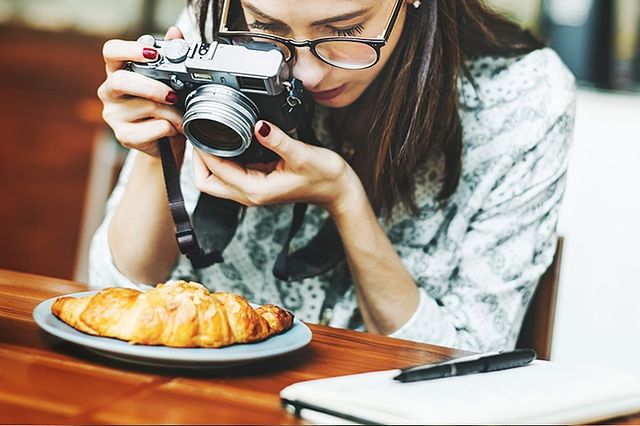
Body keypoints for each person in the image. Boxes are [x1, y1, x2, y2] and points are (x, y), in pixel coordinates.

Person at [91, 0, 575, 352]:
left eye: (344, 30)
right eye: (268, 27)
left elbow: (470, 365)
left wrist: (345, 198)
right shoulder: (214, 30)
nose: (308, 72)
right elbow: (115, 295)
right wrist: (160, 148)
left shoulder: (523, 100)